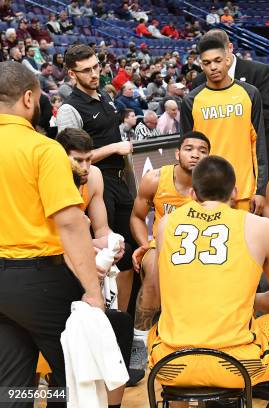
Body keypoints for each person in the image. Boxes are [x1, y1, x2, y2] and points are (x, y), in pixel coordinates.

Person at [149, 155, 269, 408]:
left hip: (170, 365)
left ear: (193, 193)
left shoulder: (166, 224)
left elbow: (163, 295)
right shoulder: (260, 226)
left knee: (162, 322)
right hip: (235, 365)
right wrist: (251, 301)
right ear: (235, 192)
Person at [0, 61, 104, 406]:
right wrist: (92, 290)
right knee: (73, 377)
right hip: (39, 276)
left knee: (12, 381)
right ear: (29, 98)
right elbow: (71, 223)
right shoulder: (43, 149)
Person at [55, 43, 138, 374]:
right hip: (88, 185)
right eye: (86, 69)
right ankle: (98, 337)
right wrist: (114, 148)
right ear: (71, 73)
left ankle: (122, 331)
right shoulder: (68, 109)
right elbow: (69, 154)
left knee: (126, 256)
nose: (94, 73)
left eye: (96, 66)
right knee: (92, 263)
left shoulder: (105, 97)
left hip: (116, 183)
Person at [55, 127, 133, 405]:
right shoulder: (51, 178)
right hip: (52, 265)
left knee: (119, 326)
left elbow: (101, 229)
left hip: (80, 261)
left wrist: (113, 244)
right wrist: (88, 252)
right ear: (60, 156)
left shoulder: (95, 177)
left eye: (89, 159)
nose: (86, 166)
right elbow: (55, 236)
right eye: (78, 160)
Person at [127, 131, 210, 382]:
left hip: (201, 249)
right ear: (177, 153)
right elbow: (137, 217)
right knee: (152, 271)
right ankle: (138, 348)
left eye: (202, 150)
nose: (195, 154)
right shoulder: (155, 179)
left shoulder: (210, 182)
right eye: (189, 148)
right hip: (160, 247)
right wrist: (145, 245)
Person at [181, 37, 267, 214]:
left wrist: (260, 190)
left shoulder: (249, 94)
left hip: (244, 191)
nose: (212, 67)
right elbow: (188, 153)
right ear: (201, 65)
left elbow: (258, 145)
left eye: (217, 61)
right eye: (207, 63)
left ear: (227, 59)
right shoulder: (191, 101)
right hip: (207, 194)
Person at [191, 29, 269, 179]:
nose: (214, 64)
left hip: (257, 154)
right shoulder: (199, 81)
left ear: (230, 48)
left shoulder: (258, 71)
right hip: (218, 156)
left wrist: (234, 129)